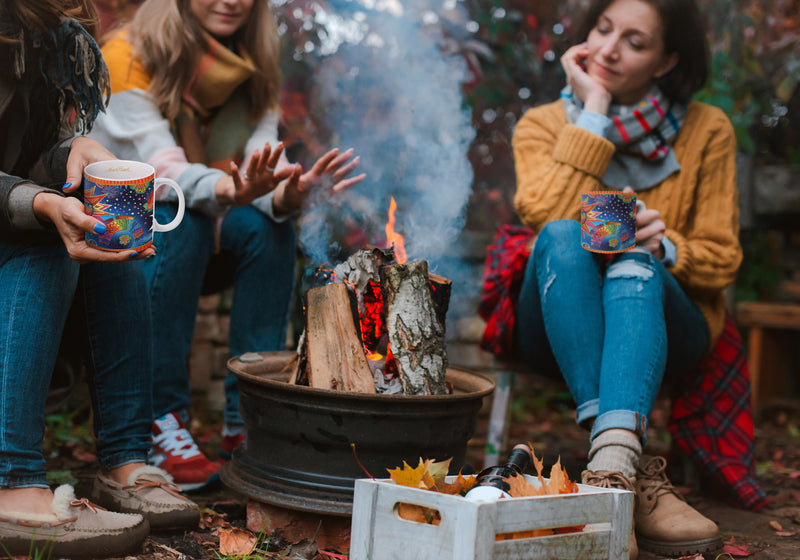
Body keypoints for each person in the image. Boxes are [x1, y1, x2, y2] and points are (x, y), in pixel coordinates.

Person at [88, 0, 365, 490]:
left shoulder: (254, 71)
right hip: (118, 228)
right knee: (185, 216)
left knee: (270, 227)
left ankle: (249, 420)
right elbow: (165, 174)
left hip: (203, 222)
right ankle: (160, 418)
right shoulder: (126, 55)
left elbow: (256, 178)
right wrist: (235, 192)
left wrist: (289, 193)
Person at [511, 0, 740, 557]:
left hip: (665, 324)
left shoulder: (708, 130)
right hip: (558, 319)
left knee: (636, 259)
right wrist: (594, 109)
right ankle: (625, 474)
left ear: (665, 62)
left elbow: (723, 257)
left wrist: (666, 246)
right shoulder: (543, 123)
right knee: (565, 237)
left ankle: (609, 474)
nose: (609, 49)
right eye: (603, 29)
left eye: (635, 42)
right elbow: (544, 216)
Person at [0, 0, 200, 556]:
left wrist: (72, 152)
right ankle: (10, 483)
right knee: (50, 242)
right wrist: (37, 202)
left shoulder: (49, 41)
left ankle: (124, 460)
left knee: (114, 241)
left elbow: (27, 157)